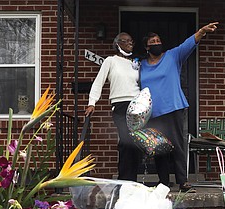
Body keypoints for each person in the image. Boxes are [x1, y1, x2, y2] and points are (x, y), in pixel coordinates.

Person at [140, 22, 218, 192]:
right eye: (152, 42)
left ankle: (183, 182)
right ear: (146, 47)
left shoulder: (172, 56)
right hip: (152, 113)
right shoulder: (140, 65)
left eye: (158, 41)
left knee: (177, 145)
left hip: (174, 108)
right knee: (159, 148)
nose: (156, 44)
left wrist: (202, 32)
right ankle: (163, 183)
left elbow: (188, 44)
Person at [85, 32, 141, 182]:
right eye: (126, 41)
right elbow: (98, 82)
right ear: (118, 44)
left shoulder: (135, 64)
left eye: (131, 41)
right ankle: (125, 179)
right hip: (120, 105)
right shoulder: (111, 61)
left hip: (137, 106)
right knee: (126, 140)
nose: (130, 43)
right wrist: (92, 102)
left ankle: (133, 179)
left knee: (135, 143)